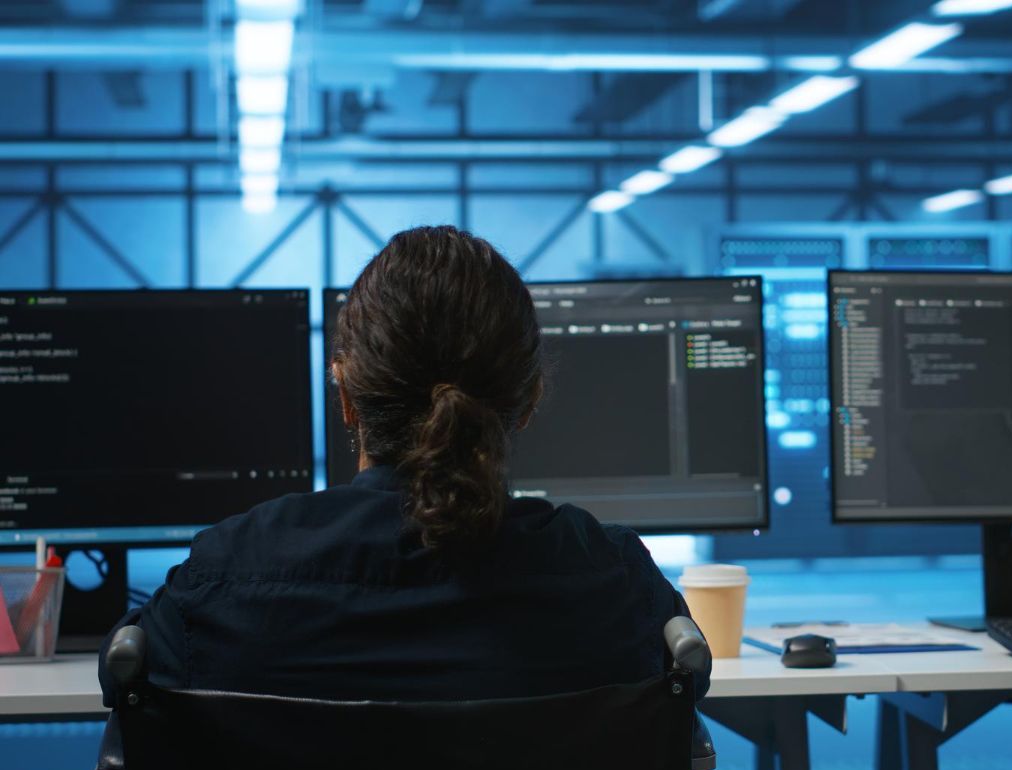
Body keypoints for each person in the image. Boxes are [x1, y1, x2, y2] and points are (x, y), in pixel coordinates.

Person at [99, 225, 705, 706]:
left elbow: (129, 673)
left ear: (344, 396)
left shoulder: (223, 577)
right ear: (528, 406)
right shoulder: (611, 579)